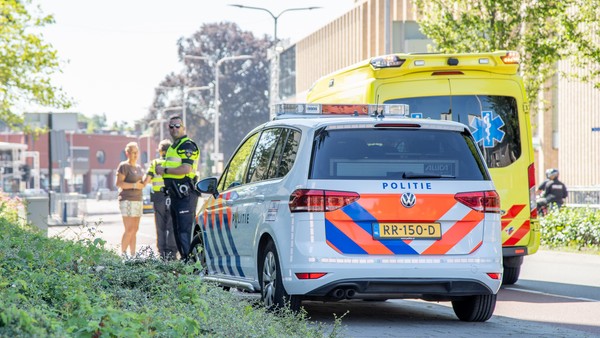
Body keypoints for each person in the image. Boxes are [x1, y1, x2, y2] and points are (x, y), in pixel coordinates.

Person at [155, 115, 199, 261]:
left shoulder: (187, 145)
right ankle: (185, 262)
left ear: (183, 128)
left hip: (185, 195)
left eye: (177, 126)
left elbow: (186, 168)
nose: (174, 129)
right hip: (175, 195)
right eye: (171, 126)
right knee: (178, 231)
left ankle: (191, 265)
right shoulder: (174, 147)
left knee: (185, 232)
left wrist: (164, 171)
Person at [143, 139, 177, 260]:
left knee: (160, 226)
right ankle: (172, 253)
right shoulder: (174, 163)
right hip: (172, 196)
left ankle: (162, 252)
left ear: (160, 150)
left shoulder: (155, 162)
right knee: (172, 225)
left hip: (158, 197)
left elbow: (146, 180)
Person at [116, 142, 146, 257]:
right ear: (127, 153)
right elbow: (119, 183)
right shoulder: (124, 166)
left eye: (137, 152)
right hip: (127, 200)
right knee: (129, 229)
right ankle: (123, 255)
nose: (135, 155)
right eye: (133, 152)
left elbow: (141, 183)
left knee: (135, 229)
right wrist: (134, 186)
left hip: (138, 200)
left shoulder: (138, 168)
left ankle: (133, 255)